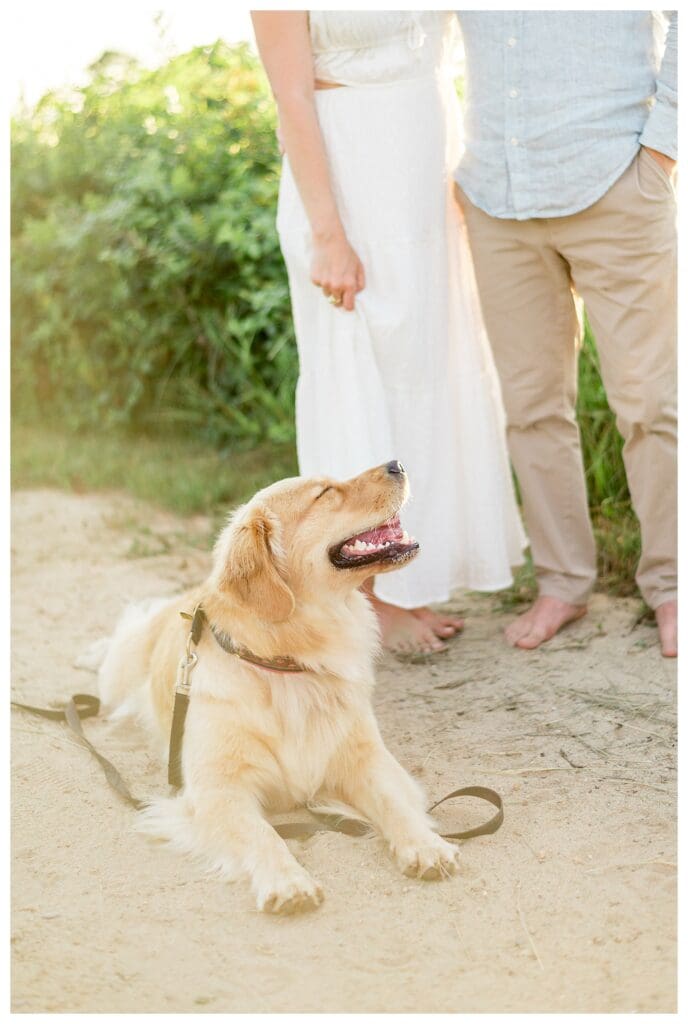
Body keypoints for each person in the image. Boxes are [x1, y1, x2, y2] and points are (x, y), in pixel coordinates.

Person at [251, 11, 526, 654]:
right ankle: (368, 593)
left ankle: (412, 581)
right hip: (347, 187)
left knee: (425, 377)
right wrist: (329, 236)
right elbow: (292, 99)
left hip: (425, 179)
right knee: (357, 380)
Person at [454, 11, 678, 657]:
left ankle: (674, 584)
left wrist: (663, 149)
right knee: (531, 408)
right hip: (496, 196)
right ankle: (563, 583)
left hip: (616, 180)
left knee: (650, 402)